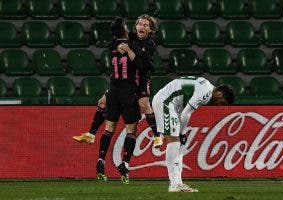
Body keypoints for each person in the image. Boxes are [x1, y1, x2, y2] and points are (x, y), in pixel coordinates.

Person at [72, 14, 162, 147]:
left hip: (142, 78)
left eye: (145, 25)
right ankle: (91, 135)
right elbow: (112, 44)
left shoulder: (150, 45)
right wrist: (117, 46)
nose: (141, 27)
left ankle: (157, 135)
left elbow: (147, 66)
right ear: (135, 26)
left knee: (144, 104)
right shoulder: (130, 36)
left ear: (150, 30)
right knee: (102, 102)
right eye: (140, 24)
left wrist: (129, 50)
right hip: (127, 79)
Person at [152, 76, 235, 192]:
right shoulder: (206, 93)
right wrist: (183, 133)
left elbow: (184, 105)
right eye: (222, 102)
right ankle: (174, 184)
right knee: (175, 141)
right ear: (220, 94)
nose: (219, 105)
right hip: (165, 101)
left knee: (179, 144)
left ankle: (178, 183)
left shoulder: (207, 87)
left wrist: (182, 134)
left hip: (173, 103)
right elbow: (186, 114)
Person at [95, 17, 142, 184]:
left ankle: (101, 159)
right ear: (124, 29)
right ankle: (125, 164)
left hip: (113, 91)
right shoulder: (132, 44)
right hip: (128, 91)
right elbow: (141, 61)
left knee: (109, 128)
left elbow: (112, 43)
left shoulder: (112, 46)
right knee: (131, 131)